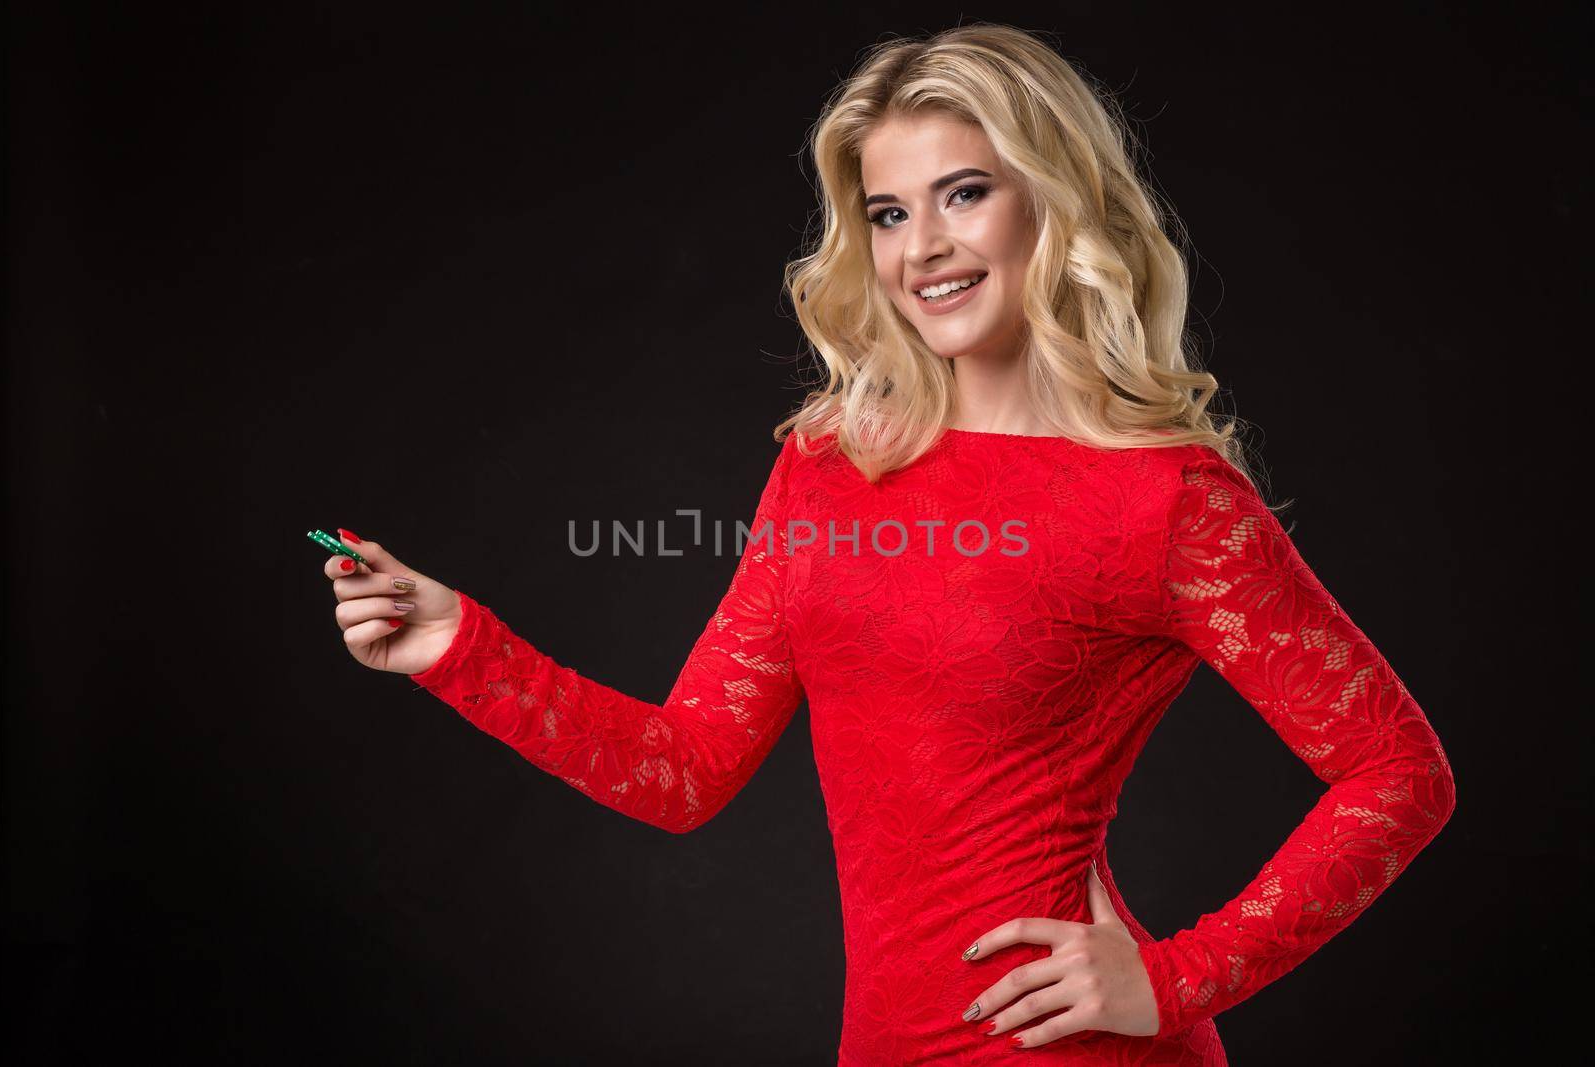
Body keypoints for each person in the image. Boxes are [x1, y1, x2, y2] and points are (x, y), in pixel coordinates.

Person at [320, 24, 1455, 1065]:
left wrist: (1176, 976)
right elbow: (688, 768)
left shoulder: (1164, 501)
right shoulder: (827, 464)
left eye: (964, 193)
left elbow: (1400, 772)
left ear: (1052, 202)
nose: (923, 248)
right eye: (889, 211)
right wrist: (455, 646)